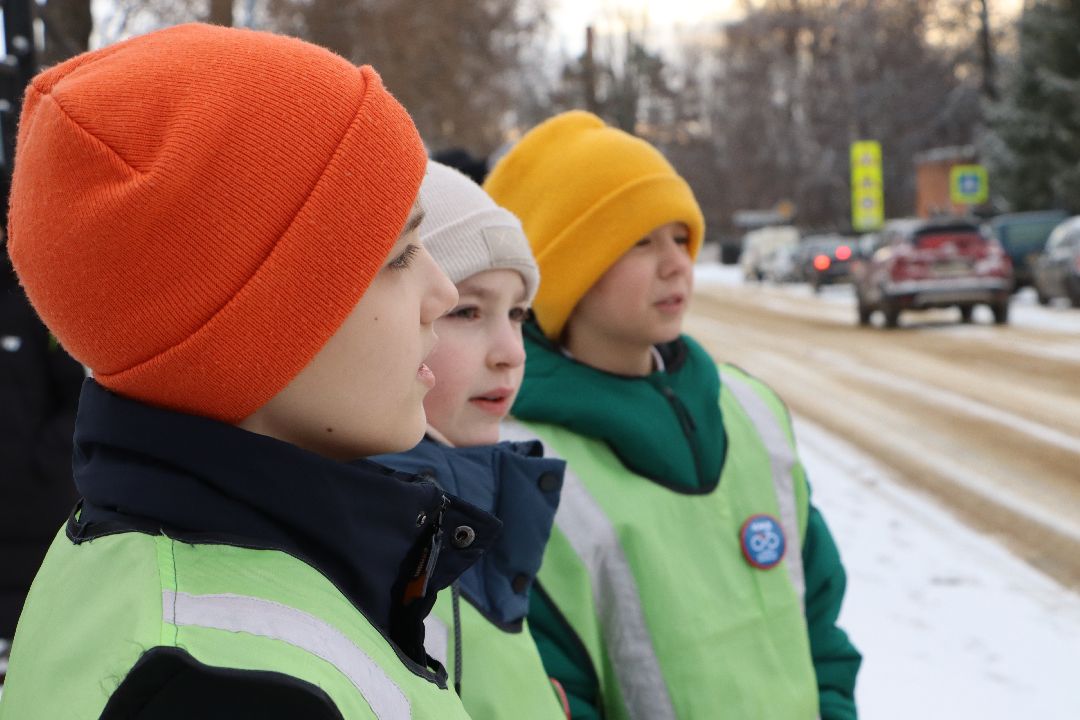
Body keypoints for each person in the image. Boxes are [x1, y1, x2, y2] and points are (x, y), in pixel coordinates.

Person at [0, 24, 501, 719]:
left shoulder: (155, 568)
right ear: (250, 334)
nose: (442, 294)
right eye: (398, 257)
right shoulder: (219, 686)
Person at [484, 110, 861, 720]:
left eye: (680, 237)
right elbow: (548, 691)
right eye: (639, 241)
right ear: (563, 270)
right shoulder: (519, 465)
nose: (675, 263)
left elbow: (819, 622)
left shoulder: (748, 410)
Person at [372, 160, 569, 719]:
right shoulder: (372, 543)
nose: (511, 351)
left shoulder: (487, 506)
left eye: (518, 313)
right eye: (467, 310)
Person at [0, 236, 84, 684]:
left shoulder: (34, 301)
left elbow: (78, 395)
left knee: (31, 671)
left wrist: (41, 465)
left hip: (33, 519)